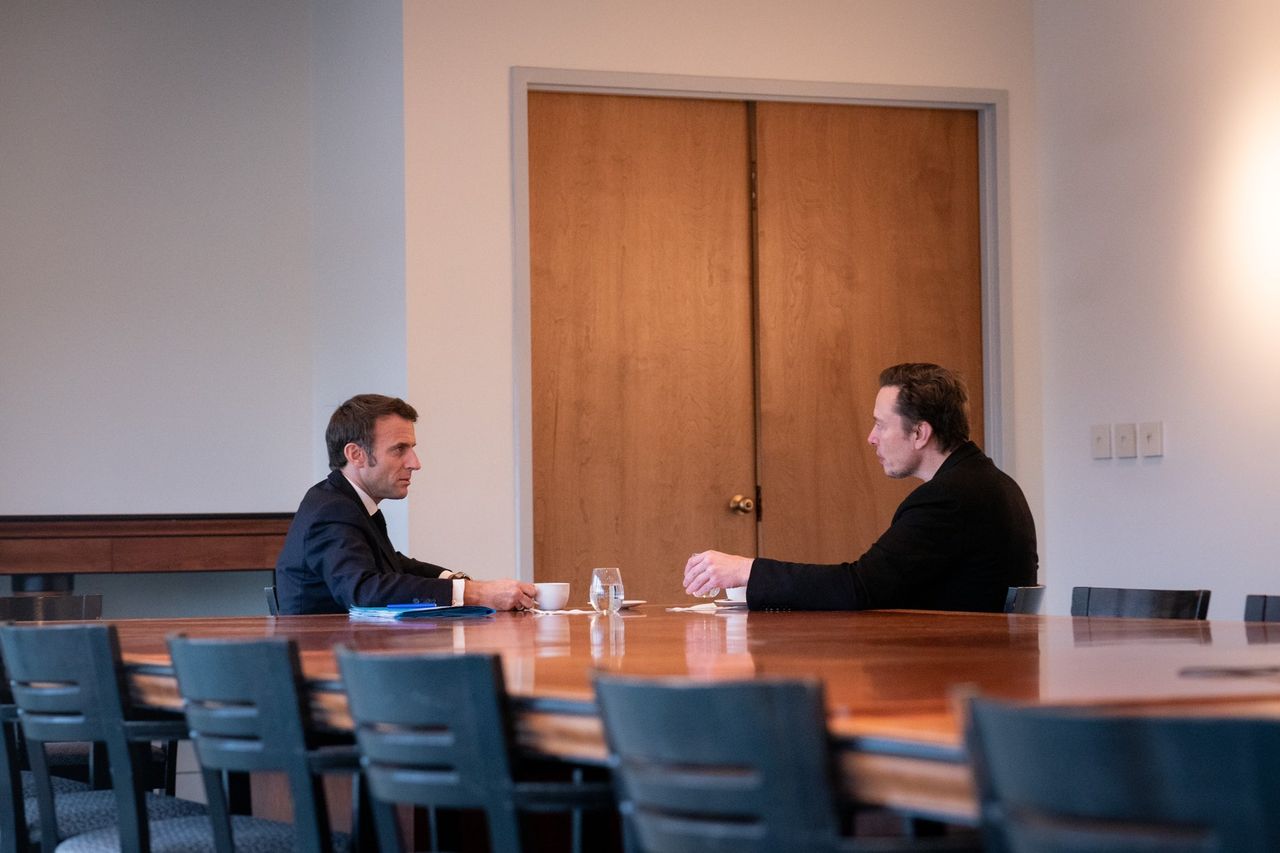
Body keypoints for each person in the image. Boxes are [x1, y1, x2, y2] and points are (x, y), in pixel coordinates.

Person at [683, 363, 1037, 612]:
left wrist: (745, 569)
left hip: (950, 686)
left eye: (881, 426)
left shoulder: (950, 498)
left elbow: (859, 587)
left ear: (920, 433)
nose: (871, 438)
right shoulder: (991, 483)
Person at [276, 394, 536, 614]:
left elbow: (391, 564)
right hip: (333, 667)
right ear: (356, 454)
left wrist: (461, 583)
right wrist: (475, 594)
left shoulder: (343, 500)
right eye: (399, 449)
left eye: (411, 448)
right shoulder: (332, 510)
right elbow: (364, 591)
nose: (415, 463)